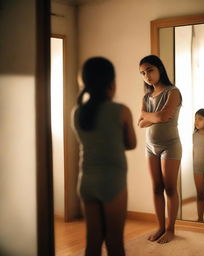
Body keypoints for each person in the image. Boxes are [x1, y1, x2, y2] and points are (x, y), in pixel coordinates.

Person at [72, 57, 137, 256]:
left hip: (87, 182)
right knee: (114, 242)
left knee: (93, 241)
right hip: (112, 182)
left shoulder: (78, 113)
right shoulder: (121, 111)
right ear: (111, 82)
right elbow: (131, 144)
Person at [138, 55, 182, 244]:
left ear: (159, 69)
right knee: (156, 187)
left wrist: (149, 116)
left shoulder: (173, 92)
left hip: (170, 145)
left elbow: (164, 117)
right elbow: (140, 123)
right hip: (150, 146)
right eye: (142, 73)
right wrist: (152, 116)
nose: (146, 75)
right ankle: (160, 227)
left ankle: (171, 229)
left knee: (170, 188)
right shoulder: (146, 96)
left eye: (149, 70)